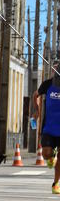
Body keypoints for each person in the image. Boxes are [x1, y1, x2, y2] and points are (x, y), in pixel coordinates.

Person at [32, 59, 60, 193]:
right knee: (46, 154)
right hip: (49, 128)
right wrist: (36, 111)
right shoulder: (47, 84)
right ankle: (51, 157)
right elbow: (35, 95)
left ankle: (56, 184)